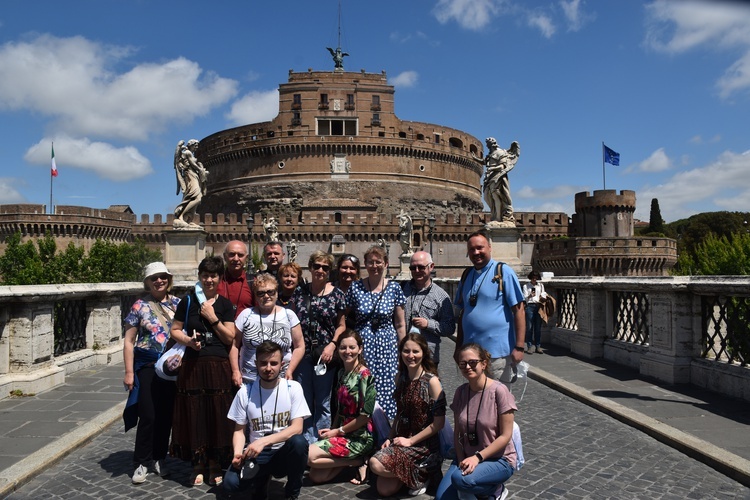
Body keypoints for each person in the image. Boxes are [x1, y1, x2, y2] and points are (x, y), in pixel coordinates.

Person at [169, 256, 236, 487]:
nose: (209, 279)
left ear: (219, 278)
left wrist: (213, 318)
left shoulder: (225, 305)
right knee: (195, 414)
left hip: (218, 365)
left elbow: (230, 338)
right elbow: (174, 330)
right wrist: (188, 341)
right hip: (193, 365)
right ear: (200, 276)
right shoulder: (188, 302)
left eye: (213, 275)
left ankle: (215, 464)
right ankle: (197, 463)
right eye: (205, 275)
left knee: (217, 415)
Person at [223, 341, 311, 500]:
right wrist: (237, 453)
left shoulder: (293, 388)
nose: (268, 368)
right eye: (263, 363)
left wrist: (263, 441)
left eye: (273, 363)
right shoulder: (245, 392)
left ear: (281, 364)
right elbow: (239, 431)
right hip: (257, 455)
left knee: (299, 442)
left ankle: (291, 494)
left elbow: (297, 428)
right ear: (256, 364)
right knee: (231, 484)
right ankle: (261, 482)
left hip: (282, 453)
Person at [436, 343, 518, 500]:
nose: (468, 367)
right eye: (463, 364)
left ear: (483, 364)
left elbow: (506, 436)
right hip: (467, 457)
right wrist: (460, 460)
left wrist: (477, 458)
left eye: (472, 362)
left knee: (461, 480)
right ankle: (474, 490)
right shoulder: (461, 392)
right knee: (442, 498)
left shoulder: (499, 391)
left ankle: (495, 490)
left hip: (498, 459)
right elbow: (458, 434)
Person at [123, 262, 180, 484]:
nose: (159, 281)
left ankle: (159, 457)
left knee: (166, 415)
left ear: (168, 279)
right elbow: (128, 341)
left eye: (163, 277)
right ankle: (140, 461)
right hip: (146, 367)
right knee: (148, 415)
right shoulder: (139, 306)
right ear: (147, 282)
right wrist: (129, 372)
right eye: (154, 277)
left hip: (170, 368)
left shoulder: (177, 304)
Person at [370, 333, 446, 497]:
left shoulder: (431, 381)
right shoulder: (401, 377)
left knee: (375, 464)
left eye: (415, 351)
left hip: (423, 445)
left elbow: (438, 423)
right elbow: (400, 412)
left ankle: (423, 471)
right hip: (401, 439)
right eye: (406, 351)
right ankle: (417, 475)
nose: (410, 356)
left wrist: (410, 440)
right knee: (384, 489)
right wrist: (390, 437)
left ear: (424, 353)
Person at [454, 230, 526, 388]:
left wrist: (519, 347)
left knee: (498, 399)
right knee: (476, 397)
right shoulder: (466, 275)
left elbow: (519, 310)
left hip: (497, 354)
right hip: (471, 354)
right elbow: (463, 314)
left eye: (480, 248)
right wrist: (458, 347)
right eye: (472, 249)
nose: (476, 252)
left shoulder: (503, 271)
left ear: (490, 247)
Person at [290, 251, 346, 444]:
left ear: (330, 271)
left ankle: (321, 443)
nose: (320, 270)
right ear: (310, 268)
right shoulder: (300, 292)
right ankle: (304, 444)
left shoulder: (337, 295)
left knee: (323, 402)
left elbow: (341, 325)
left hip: (325, 355)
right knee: (303, 400)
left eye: (325, 267)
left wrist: (332, 345)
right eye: (317, 266)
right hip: (302, 354)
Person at [307, 329, 376, 485]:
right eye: (343, 347)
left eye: (352, 347)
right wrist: (333, 429)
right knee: (316, 476)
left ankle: (360, 457)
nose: (347, 351)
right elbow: (340, 409)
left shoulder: (365, 376)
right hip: (343, 433)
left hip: (360, 437)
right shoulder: (341, 374)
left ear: (360, 349)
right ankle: (356, 462)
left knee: (310, 456)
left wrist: (337, 432)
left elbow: (365, 417)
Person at [346, 245, 406, 419]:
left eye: (378, 262)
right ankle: (364, 427)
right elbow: (345, 317)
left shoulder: (395, 288)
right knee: (363, 384)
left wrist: (402, 350)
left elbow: (400, 324)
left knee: (388, 385)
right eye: (370, 262)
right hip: (363, 345)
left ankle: (388, 428)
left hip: (388, 346)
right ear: (365, 264)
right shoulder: (355, 288)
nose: (374, 266)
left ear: (386, 263)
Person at [231, 274, 304, 388]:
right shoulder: (245, 315)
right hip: (250, 379)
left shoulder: (288, 315)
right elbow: (234, 345)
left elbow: (299, 346)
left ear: (276, 292)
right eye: (261, 293)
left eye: (270, 292)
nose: (266, 296)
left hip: (282, 378)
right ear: (255, 295)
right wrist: (235, 371)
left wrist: (290, 370)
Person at [402, 251, 455, 365]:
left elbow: (450, 328)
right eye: (413, 268)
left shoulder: (441, 296)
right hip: (404, 355)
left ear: (431, 267)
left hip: (428, 357)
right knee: (402, 383)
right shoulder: (401, 290)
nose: (416, 271)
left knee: (428, 383)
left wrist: (428, 324)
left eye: (421, 267)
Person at [474, 138, 520, 224]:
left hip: (497, 176)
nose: (487, 145)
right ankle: (494, 214)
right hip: (489, 176)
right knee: (487, 197)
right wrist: (476, 159)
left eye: (488, 143)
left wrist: (492, 168)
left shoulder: (500, 152)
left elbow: (502, 166)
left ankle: (498, 218)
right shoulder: (491, 153)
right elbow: (486, 161)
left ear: (492, 143)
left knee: (496, 196)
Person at [173, 139, 209, 228]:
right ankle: (181, 216)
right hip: (190, 175)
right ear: (191, 145)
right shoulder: (187, 152)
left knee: (195, 198)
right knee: (197, 197)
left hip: (194, 175)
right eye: (195, 145)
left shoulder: (190, 153)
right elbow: (193, 164)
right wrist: (201, 170)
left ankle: (189, 220)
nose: (196, 147)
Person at [217, 240, 254, 318]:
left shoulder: (253, 282)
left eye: (240, 255)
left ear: (246, 258)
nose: (236, 259)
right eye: (232, 254)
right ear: (224, 256)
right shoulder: (216, 281)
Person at [523, 271, 547, 354]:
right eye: (533, 277)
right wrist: (530, 296)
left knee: (538, 328)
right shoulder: (526, 286)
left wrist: (543, 297)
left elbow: (543, 294)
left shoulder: (540, 285)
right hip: (530, 306)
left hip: (538, 306)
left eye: (536, 277)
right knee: (529, 328)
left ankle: (538, 346)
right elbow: (524, 298)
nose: (534, 279)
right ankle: (529, 346)